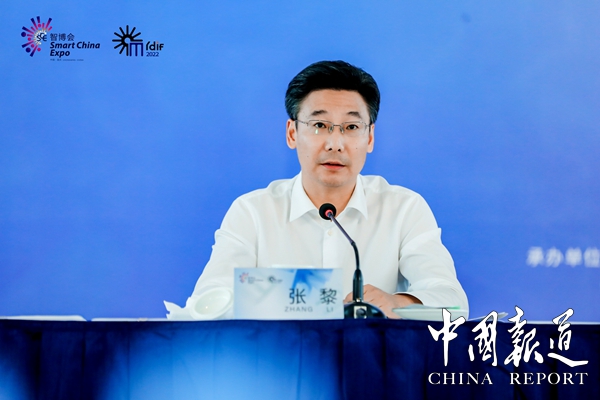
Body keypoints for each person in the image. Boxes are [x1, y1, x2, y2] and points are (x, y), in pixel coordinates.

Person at [192, 60, 468, 318]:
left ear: (370, 137)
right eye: (319, 125)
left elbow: (454, 304)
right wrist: (290, 299)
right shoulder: (252, 212)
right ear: (292, 133)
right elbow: (206, 303)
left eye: (351, 126)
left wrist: (399, 303)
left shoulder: (404, 209)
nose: (335, 144)